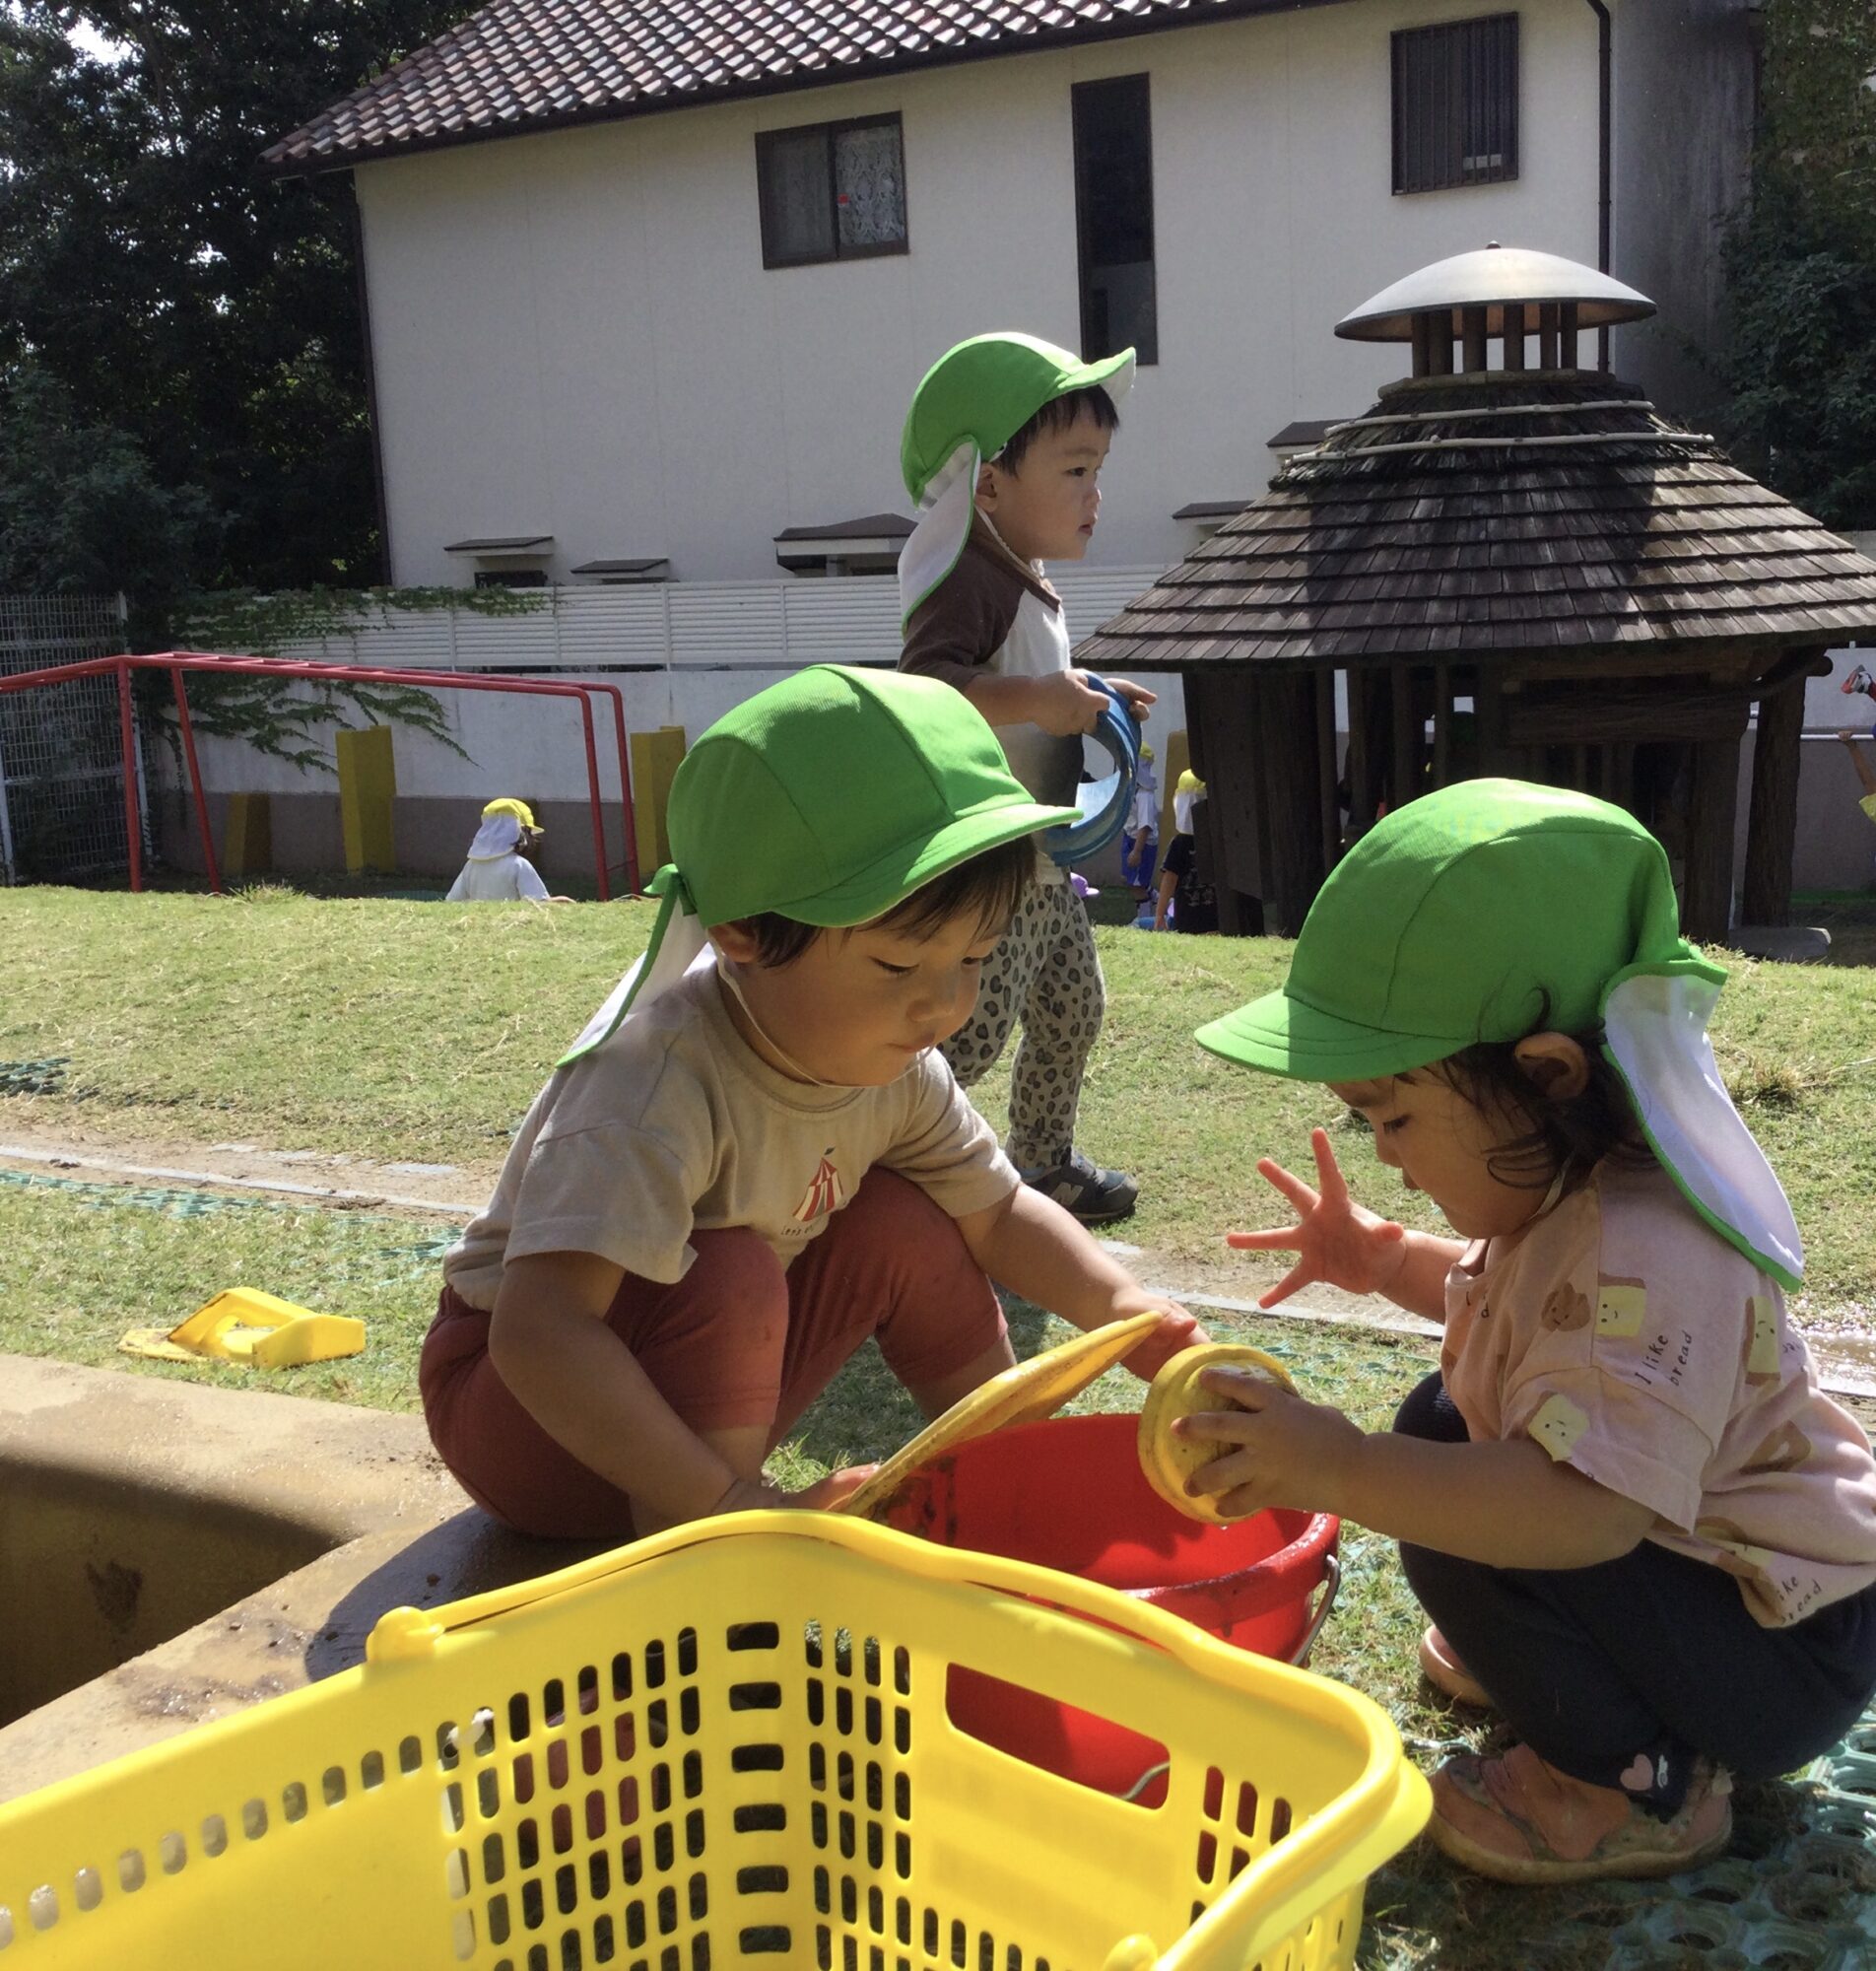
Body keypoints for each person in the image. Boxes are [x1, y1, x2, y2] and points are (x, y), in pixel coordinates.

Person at [1177, 780, 1876, 1885]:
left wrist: (1341, 1464)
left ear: (1544, 1072)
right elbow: (1510, 1312)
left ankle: (1633, 1787)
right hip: (1719, 1586)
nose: (1386, 1154)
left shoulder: (1648, 1251)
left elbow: (1588, 1510)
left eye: (1394, 1117)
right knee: (1445, 1423)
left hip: (1779, 1652)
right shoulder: (1573, 1188)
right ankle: (1570, 1665)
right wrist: (1376, 1259)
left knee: (1453, 1493)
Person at [420, 665, 1201, 1542]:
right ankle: (718, 1546)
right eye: (900, 965)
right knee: (734, 1267)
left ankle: (1007, 1476)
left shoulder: (899, 1065)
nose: (946, 1005)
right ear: (742, 933)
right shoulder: (653, 1080)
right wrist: (727, 1503)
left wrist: (1134, 1318)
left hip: (681, 1393)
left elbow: (1001, 1213)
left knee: (914, 1217)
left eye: (975, 958)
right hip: (529, 1423)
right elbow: (540, 1336)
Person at [898, 331, 1157, 1225]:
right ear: (990, 483)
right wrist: (1038, 698)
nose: (1096, 493)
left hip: (1043, 856)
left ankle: (1042, 1163)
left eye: (1098, 468)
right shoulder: (967, 577)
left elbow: (1024, 683)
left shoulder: (1021, 574)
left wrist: (1083, 691)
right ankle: (894, 1158)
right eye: (1075, 469)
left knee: (1073, 1006)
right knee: (969, 1033)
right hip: (993, 863)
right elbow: (929, 691)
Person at [444, 797, 570, 904]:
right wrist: (562, 901)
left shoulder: (471, 865)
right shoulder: (518, 865)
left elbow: (453, 901)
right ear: (520, 833)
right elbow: (538, 903)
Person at [1153, 769, 1206, 931]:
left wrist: (1159, 914)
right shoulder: (1219, 840)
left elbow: (1169, 880)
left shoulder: (1180, 843)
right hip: (1216, 918)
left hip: (1187, 919)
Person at [1121, 742, 1159, 906]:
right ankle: (1156, 897)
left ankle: (1143, 919)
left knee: (1137, 885)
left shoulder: (1145, 795)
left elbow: (1145, 825)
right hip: (1130, 838)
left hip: (1141, 843)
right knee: (1132, 879)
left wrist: (1137, 851)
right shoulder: (1134, 791)